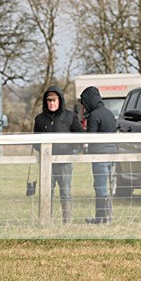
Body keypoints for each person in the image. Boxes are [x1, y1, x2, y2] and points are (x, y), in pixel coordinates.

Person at [33, 86, 83, 224]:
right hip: (46, 164)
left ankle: (67, 222)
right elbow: (34, 141)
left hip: (65, 163)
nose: (51, 103)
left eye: (54, 100)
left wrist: (73, 151)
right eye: (48, 100)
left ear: (60, 101)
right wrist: (43, 152)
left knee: (65, 192)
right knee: (46, 193)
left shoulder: (70, 116)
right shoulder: (39, 119)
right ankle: (46, 221)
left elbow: (80, 136)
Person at [80, 86, 117, 223]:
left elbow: (91, 137)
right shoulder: (109, 113)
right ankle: (103, 217)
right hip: (112, 154)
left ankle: (103, 218)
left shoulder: (94, 115)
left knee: (100, 187)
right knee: (106, 186)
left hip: (100, 155)